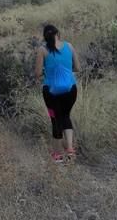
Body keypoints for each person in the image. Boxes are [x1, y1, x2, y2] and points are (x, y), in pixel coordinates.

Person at [35, 24, 81, 163]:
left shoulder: (42, 50)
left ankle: (58, 155)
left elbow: (37, 73)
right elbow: (78, 68)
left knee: (55, 119)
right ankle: (70, 150)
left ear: (45, 36)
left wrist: (48, 71)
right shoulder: (69, 46)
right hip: (70, 89)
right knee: (66, 116)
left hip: (51, 91)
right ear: (58, 33)